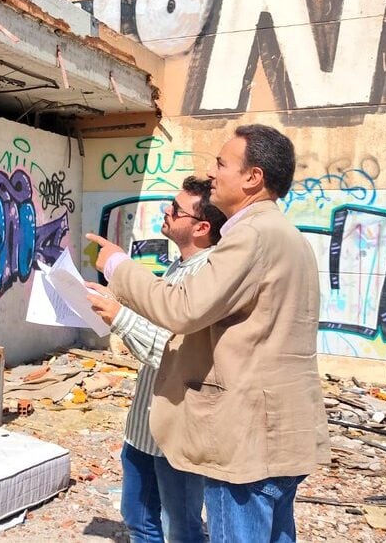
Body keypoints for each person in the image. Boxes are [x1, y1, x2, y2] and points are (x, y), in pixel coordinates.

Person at [86, 125, 331, 543]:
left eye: (221, 163)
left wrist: (116, 267)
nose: (213, 173)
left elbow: (181, 309)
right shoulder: (286, 237)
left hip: (249, 439)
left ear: (252, 177)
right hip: (279, 433)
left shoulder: (252, 237)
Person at [110, 177, 226, 543]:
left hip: (177, 433)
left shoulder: (209, 276)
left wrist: (116, 315)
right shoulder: (179, 267)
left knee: (184, 527)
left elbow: (173, 352)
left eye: (176, 209)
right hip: (144, 427)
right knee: (138, 517)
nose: (167, 211)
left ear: (202, 227)